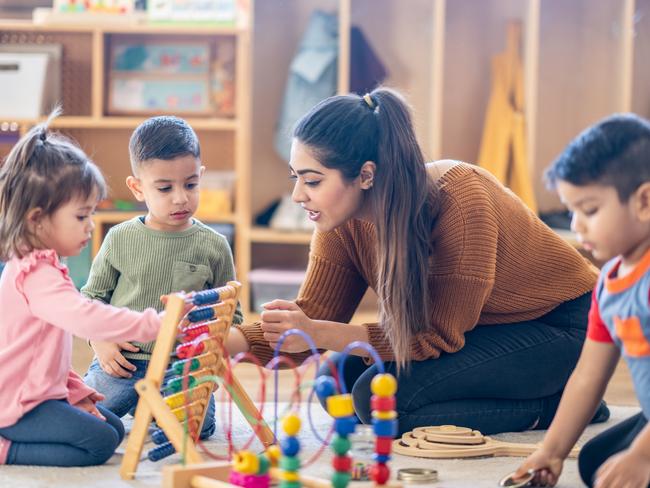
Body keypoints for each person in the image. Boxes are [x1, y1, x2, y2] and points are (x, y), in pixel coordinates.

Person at [224, 87, 609, 435]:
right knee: (336, 383)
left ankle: (561, 406)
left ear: (366, 175)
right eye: (296, 178)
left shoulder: (460, 201)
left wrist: (320, 332)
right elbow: (310, 318)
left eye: (312, 181)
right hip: (482, 327)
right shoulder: (341, 221)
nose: (296, 196)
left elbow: (436, 336)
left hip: (565, 327)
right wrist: (228, 342)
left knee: (383, 404)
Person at [0, 111, 162, 466]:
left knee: (115, 428)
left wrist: (76, 391)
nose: (90, 226)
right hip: (19, 403)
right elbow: (86, 319)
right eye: (80, 216)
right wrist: (154, 325)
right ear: (37, 219)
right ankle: (5, 448)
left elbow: (42, 352)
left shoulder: (43, 265)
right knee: (101, 443)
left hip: (40, 393)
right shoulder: (34, 275)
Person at [82, 116, 242, 440]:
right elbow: (89, 300)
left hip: (180, 368)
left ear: (201, 177)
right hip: (122, 363)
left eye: (191, 184)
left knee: (193, 430)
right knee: (82, 419)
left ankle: (151, 409)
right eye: (165, 188)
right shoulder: (119, 238)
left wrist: (205, 354)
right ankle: (141, 405)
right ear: (137, 187)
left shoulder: (215, 245)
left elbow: (232, 317)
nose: (180, 198)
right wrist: (100, 341)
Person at [512, 114, 650, 488]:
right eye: (572, 211)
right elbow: (588, 376)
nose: (576, 225)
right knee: (597, 462)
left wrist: (642, 455)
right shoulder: (609, 282)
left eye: (589, 210)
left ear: (644, 202)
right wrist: (552, 450)